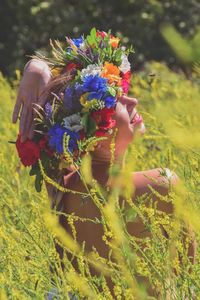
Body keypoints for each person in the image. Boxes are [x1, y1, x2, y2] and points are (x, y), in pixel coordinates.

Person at [12, 58, 196, 297]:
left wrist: (34, 68)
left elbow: (41, 88)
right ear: (95, 127)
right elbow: (189, 279)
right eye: (117, 98)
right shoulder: (162, 184)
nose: (133, 101)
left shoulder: (61, 185)